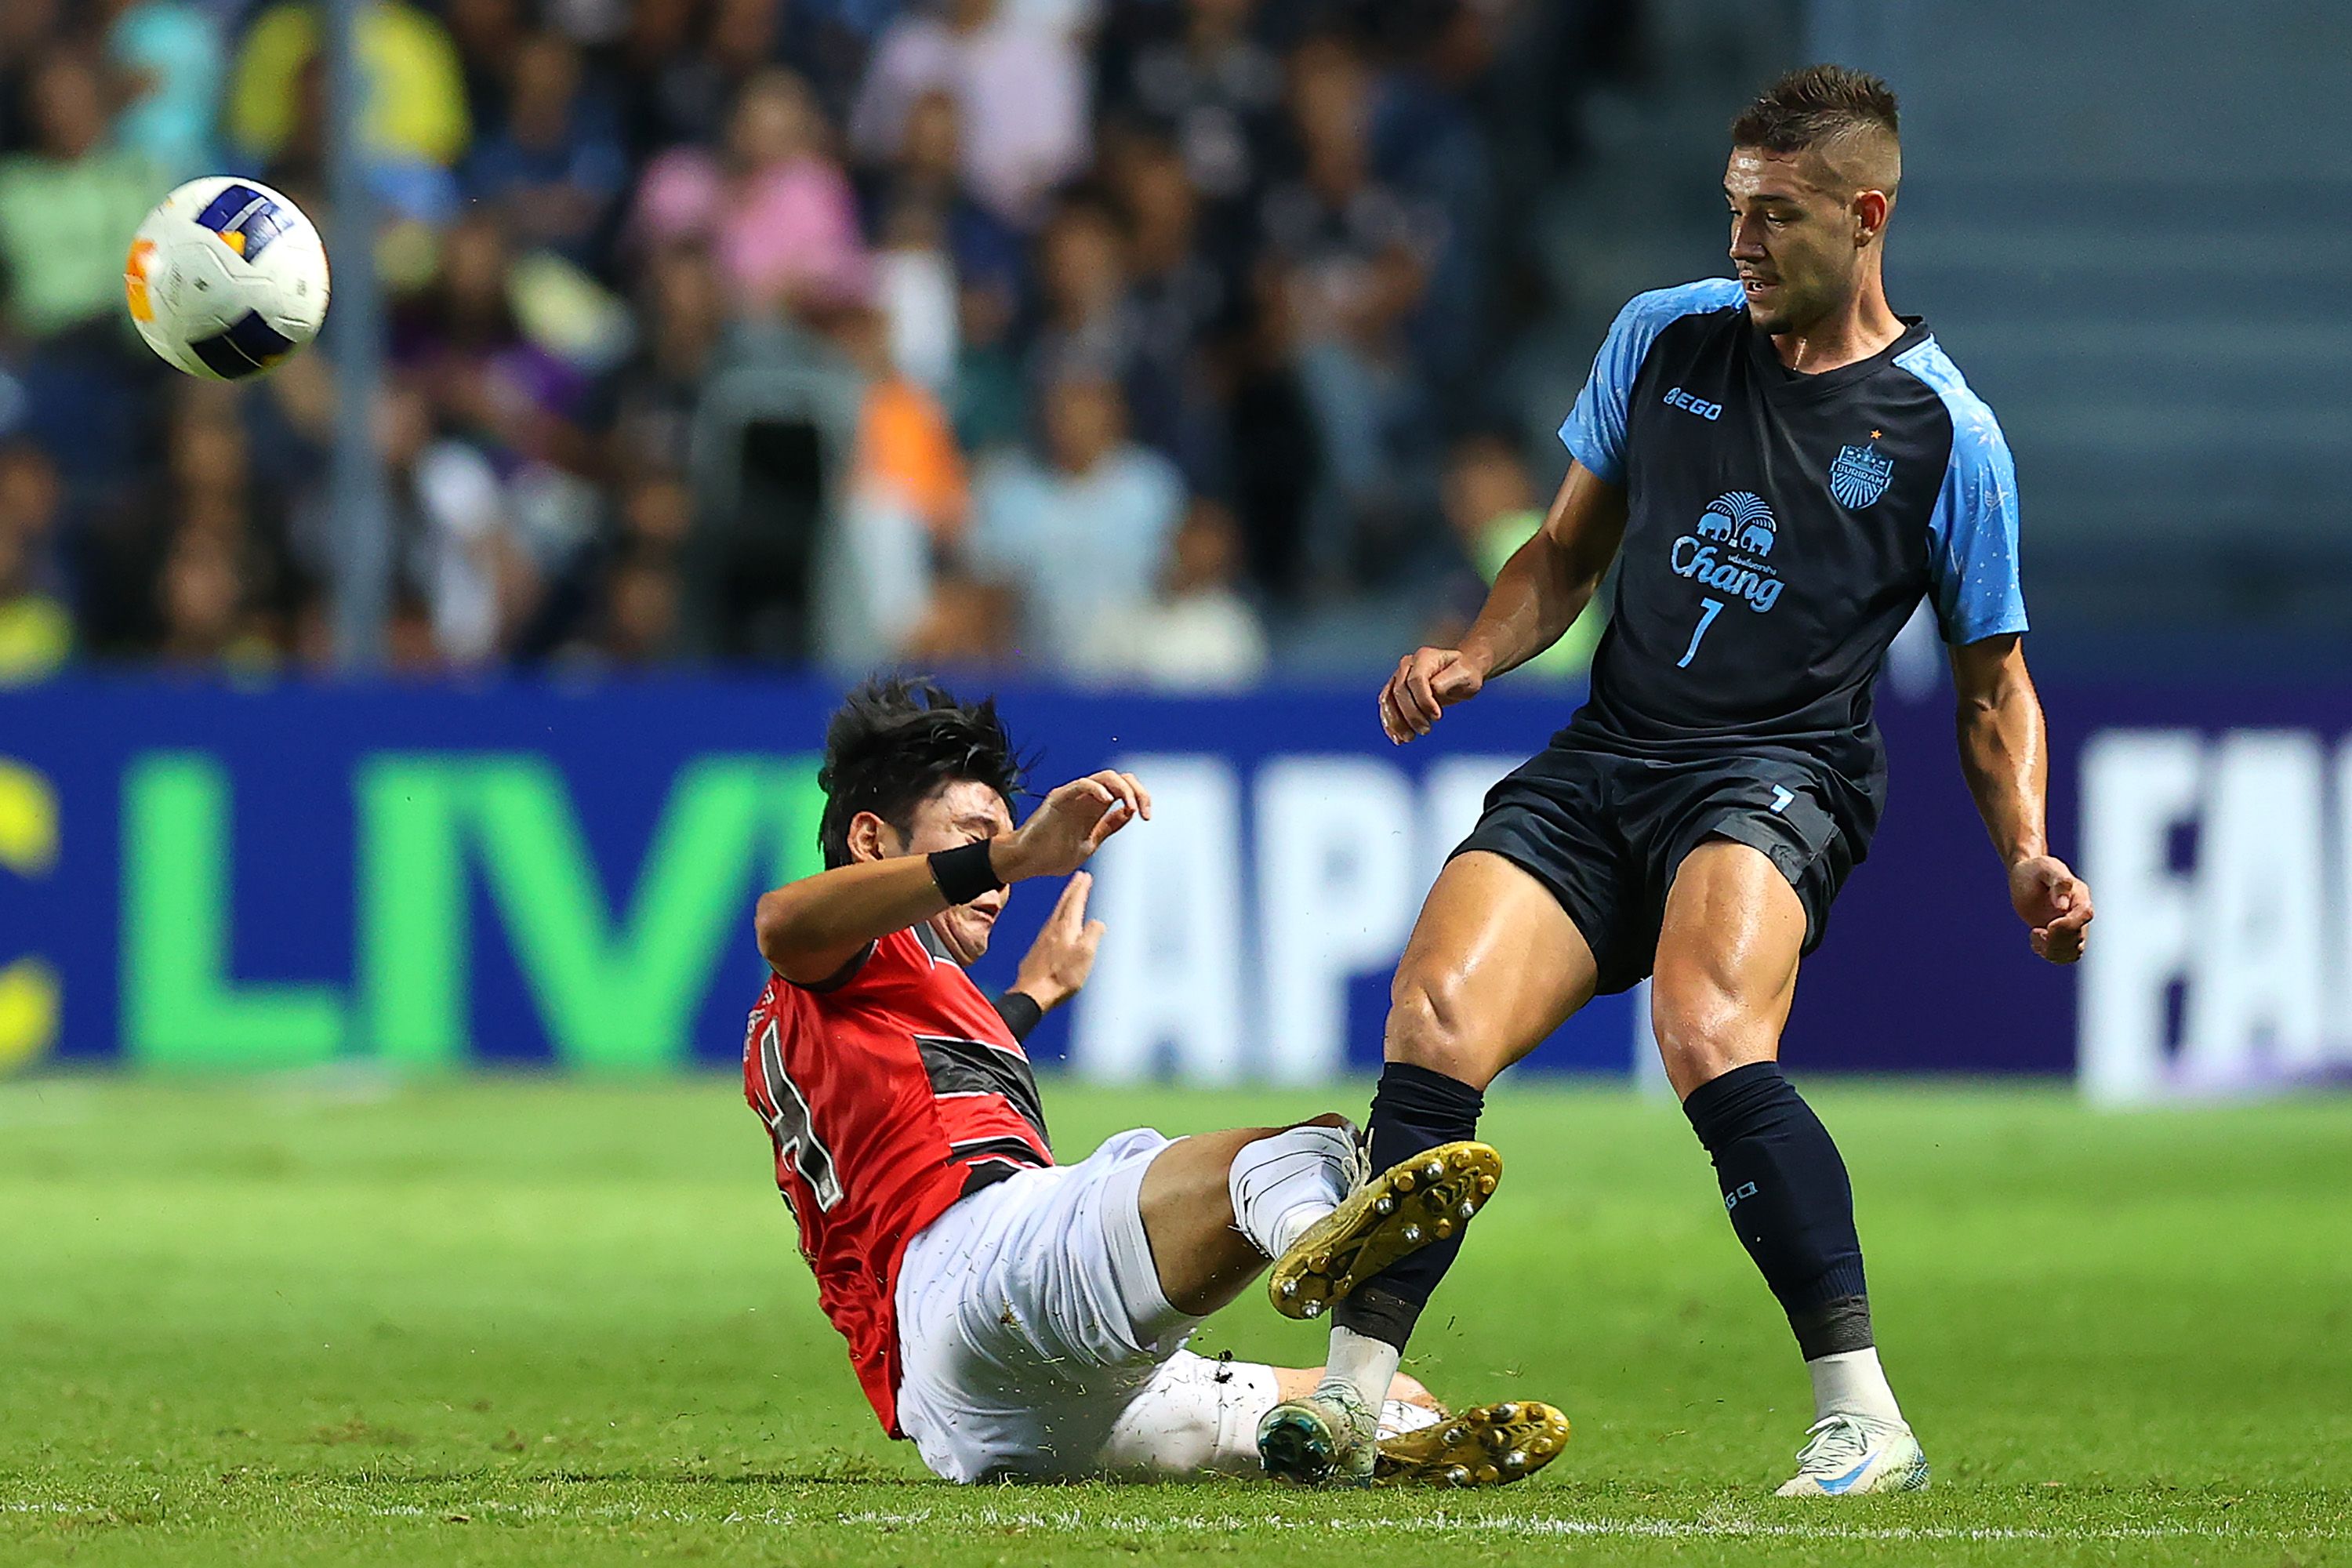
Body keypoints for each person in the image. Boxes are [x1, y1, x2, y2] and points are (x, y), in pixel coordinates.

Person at [1257, 65, 2095, 1497]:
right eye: (1734, 210)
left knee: (1707, 1028)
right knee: (1434, 1017)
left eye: (1777, 216)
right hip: (1608, 756)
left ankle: (1863, 1413)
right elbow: (1565, 554)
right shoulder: (1661, 339)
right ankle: (1354, 1402)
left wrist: (2024, 843)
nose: (1744, 243)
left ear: (1866, 212)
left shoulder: (1950, 434)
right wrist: (1474, 655)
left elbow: (1991, 680)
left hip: (1781, 775)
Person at [741, 677, 1570, 1484]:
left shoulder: (862, 1008)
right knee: (1301, 1152)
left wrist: (1031, 998)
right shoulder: (842, 952)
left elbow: (919, 1085)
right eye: (968, 834)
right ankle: (1322, 1233)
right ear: (869, 841)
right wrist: (1021, 851)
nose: (992, 877)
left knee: (1403, 1402)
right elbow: (782, 920)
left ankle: (1353, 1428)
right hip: (977, 1266)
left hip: (980, 1414)